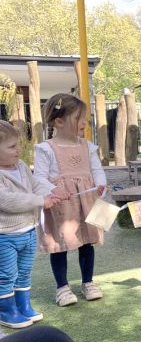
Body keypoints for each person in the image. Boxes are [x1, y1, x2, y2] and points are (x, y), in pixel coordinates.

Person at [33, 93, 107, 306]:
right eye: (78, 118)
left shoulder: (88, 146)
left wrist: (100, 184)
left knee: (87, 241)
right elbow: (39, 177)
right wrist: (53, 190)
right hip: (61, 205)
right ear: (59, 121)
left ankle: (88, 282)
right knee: (60, 244)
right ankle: (62, 287)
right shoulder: (46, 148)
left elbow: (97, 170)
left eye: (84, 117)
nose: (84, 122)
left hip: (86, 202)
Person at [0, 121, 67, 328]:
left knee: (25, 270)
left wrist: (52, 191)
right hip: (5, 235)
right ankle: (6, 311)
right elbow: (7, 200)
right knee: (7, 274)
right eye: (12, 147)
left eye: (18, 144)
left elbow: (35, 183)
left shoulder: (20, 166)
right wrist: (40, 201)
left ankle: (23, 305)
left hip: (28, 230)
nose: (18, 150)